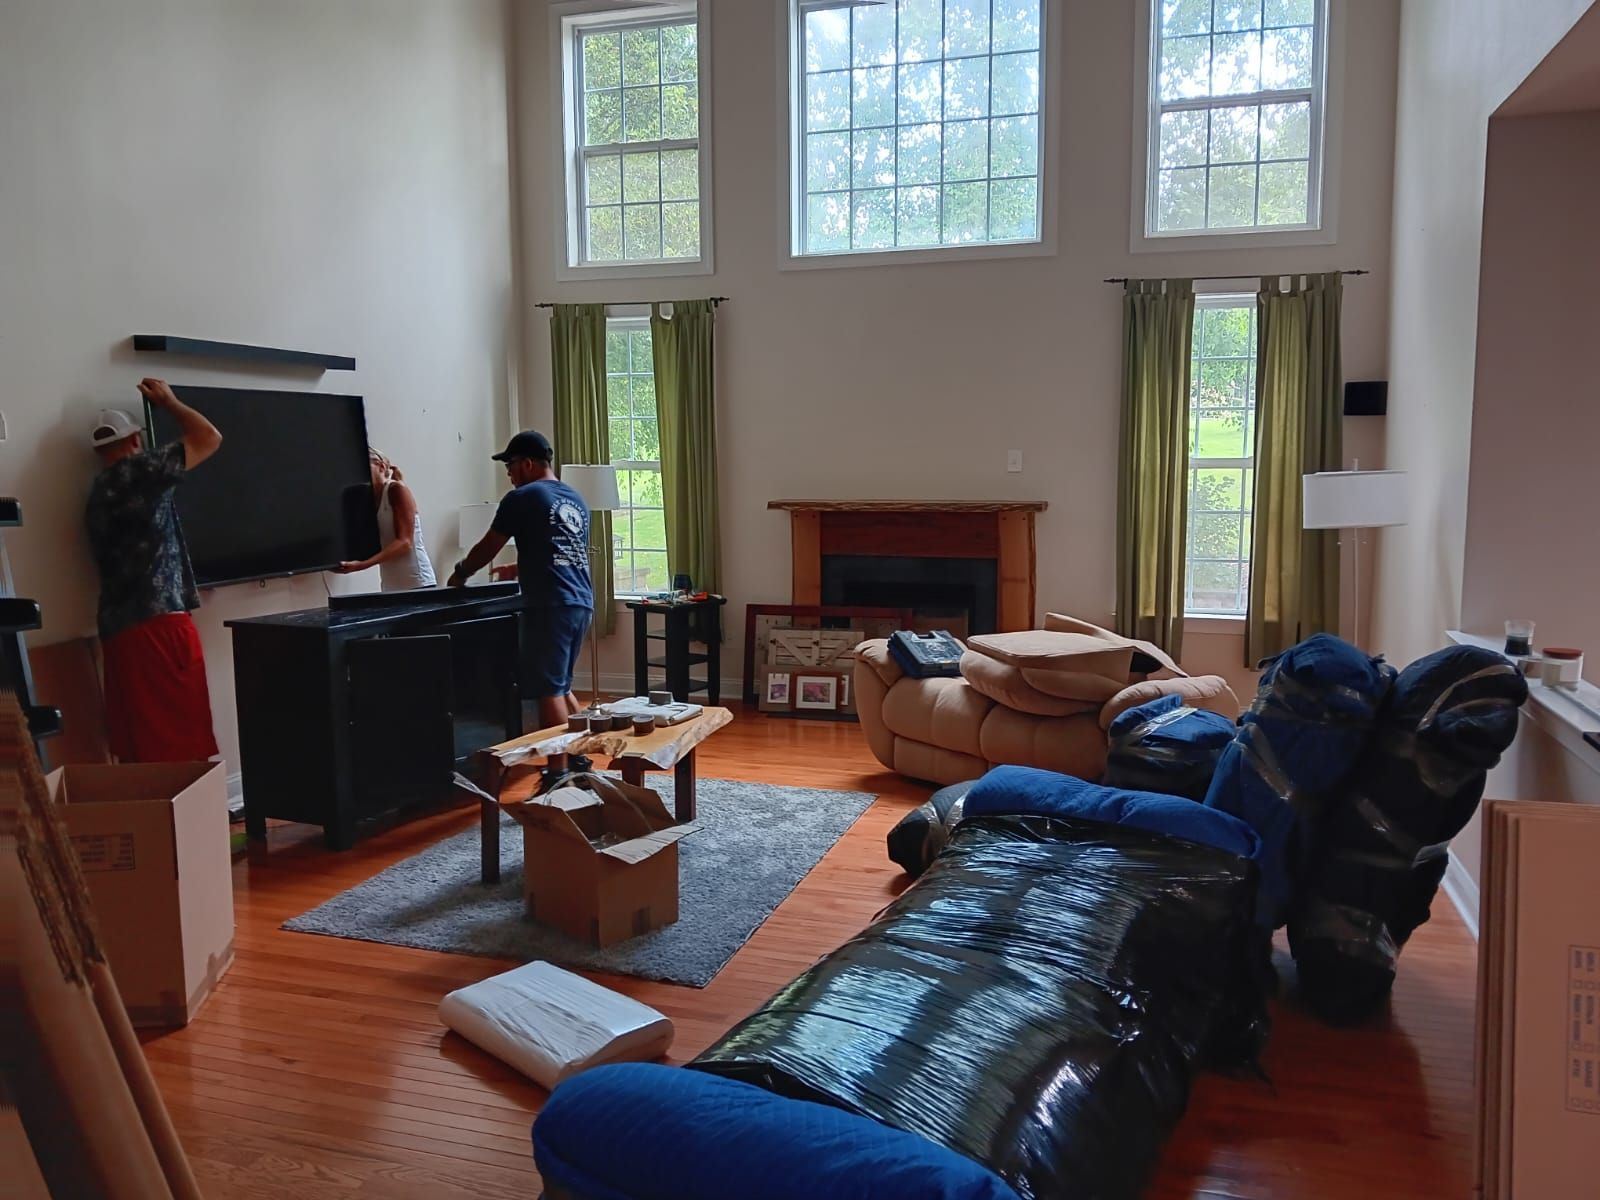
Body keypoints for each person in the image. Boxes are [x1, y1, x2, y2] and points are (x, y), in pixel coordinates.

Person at [84, 379, 223, 763]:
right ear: (134, 442)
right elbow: (208, 437)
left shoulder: (97, 493)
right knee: (180, 741)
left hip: (118, 631)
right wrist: (170, 401)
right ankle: (194, 822)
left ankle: (156, 823)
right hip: (159, 625)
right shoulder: (141, 471)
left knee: (142, 750)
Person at [448, 431, 593, 735]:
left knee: (548, 692)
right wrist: (518, 567)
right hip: (580, 602)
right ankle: (580, 760)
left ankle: (559, 770)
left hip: (551, 604)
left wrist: (461, 573)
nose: (509, 474)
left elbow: (488, 546)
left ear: (527, 463)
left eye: (510, 465)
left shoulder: (522, 498)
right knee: (561, 686)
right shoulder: (575, 499)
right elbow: (562, 550)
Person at [336, 448, 436, 590]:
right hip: (390, 584)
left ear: (381, 466)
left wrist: (361, 565)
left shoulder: (396, 489)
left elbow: (405, 543)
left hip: (417, 582)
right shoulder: (365, 500)